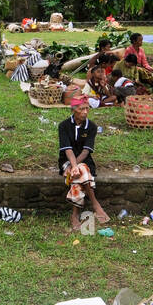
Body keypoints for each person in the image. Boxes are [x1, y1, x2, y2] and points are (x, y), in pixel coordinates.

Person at [58, 98, 109, 231]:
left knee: (79, 172)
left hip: (84, 161)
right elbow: (67, 149)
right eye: (81, 109)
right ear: (74, 110)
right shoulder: (63, 126)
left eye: (87, 108)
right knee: (80, 171)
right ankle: (95, 204)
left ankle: (75, 215)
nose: (85, 112)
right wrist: (72, 165)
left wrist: (74, 167)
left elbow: (86, 151)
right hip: (66, 161)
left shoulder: (91, 126)